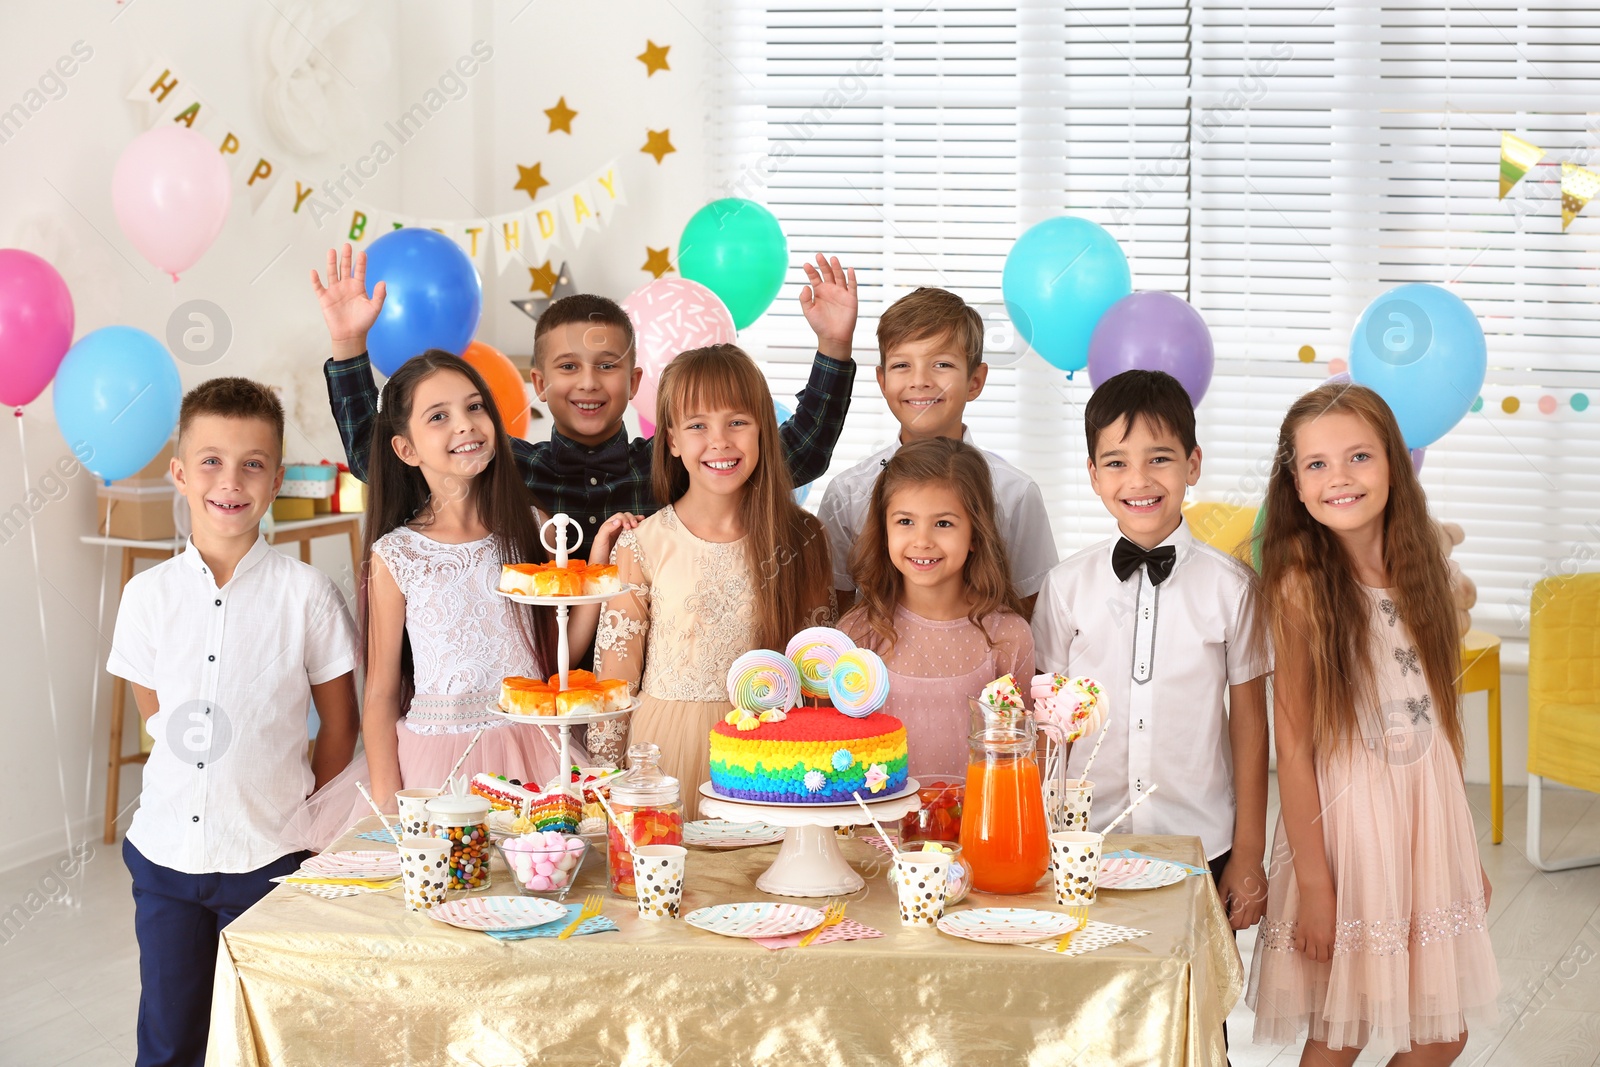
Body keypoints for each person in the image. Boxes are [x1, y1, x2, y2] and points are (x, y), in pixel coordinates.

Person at [108, 378, 359, 1067]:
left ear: (277, 478)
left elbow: (340, 726)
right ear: (181, 474)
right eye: (212, 461)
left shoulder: (307, 595)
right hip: (165, 862)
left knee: (265, 1035)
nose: (231, 480)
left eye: (253, 463)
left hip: (269, 857)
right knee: (169, 1035)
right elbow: (153, 712)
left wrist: (301, 816)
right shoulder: (147, 597)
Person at [1247, 382, 1498, 1064]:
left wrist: (1462, 850)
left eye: (1358, 456)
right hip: (1349, 831)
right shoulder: (1301, 584)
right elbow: (1294, 747)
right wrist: (1319, 886)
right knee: (1341, 1029)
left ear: (1393, 461)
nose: (1341, 478)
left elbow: (1439, 724)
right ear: (1294, 483)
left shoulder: (1426, 573)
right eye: (1317, 464)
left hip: (1424, 821)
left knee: (1442, 1032)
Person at [287, 353, 623, 849]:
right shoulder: (397, 554)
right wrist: (388, 800)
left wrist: (597, 564)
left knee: (537, 884)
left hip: (532, 753)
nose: (465, 425)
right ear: (405, 448)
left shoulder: (528, 528)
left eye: (474, 407)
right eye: (439, 416)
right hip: (435, 763)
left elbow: (559, 661)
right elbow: (379, 694)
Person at [313, 245, 860, 532]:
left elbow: (803, 451)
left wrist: (833, 347)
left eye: (607, 365)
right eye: (569, 367)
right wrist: (348, 346)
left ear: (635, 381)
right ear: (540, 384)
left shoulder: (673, 465)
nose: (589, 382)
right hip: (537, 706)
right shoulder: (506, 468)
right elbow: (377, 460)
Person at [1032, 369, 1271, 931]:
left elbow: (1251, 728)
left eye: (1159, 458)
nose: (1138, 478)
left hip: (1200, 842)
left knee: (1196, 1003)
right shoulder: (1066, 586)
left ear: (1193, 464)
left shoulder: (1233, 588)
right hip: (1082, 840)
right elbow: (1047, 725)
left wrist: (1249, 854)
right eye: (1116, 462)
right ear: (1093, 475)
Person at [596, 344, 834, 813]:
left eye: (738, 422)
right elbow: (614, 685)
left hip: (768, 757)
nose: (719, 441)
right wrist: (604, 785)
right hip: (664, 753)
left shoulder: (804, 537)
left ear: (764, 429)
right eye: (697, 425)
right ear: (671, 441)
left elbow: (817, 678)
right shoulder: (641, 543)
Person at [817, 286, 1057, 617]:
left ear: (975, 381)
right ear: (882, 380)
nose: (920, 381)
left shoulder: (1015, 493)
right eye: (902, 365)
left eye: (941, 363)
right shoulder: (847, 493)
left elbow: (1034, 612)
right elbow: (834, 614)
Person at [839, 436, 1033, 774]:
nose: (923, 541)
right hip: (879, 826)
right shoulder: (858, 635)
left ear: (975, 533)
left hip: (979, 824)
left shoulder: (1009, 636)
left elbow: (1022, 758)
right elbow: (839, 756)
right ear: (884, 530)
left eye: (943, 523)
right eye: (905, 522)